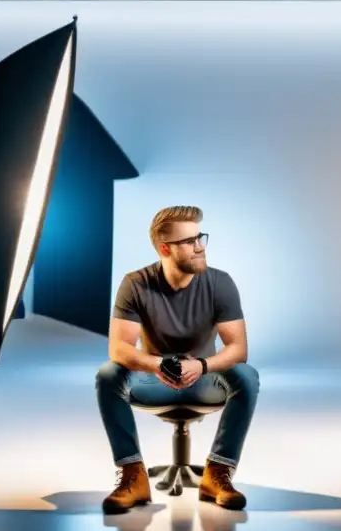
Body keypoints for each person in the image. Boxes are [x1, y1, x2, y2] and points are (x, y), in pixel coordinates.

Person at [96, 205, 260, 513]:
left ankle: (218, 472)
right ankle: (133, 476)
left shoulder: (220, 282)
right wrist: (156, 365)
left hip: (204, 378)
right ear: (164, 248)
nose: (200, 247)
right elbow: (119, 348)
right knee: (109, 374)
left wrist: (201, 365)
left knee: (246, 375)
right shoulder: (136, 284)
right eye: (190, 241)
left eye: (200, 237)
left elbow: (238, 349)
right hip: (154, 378)